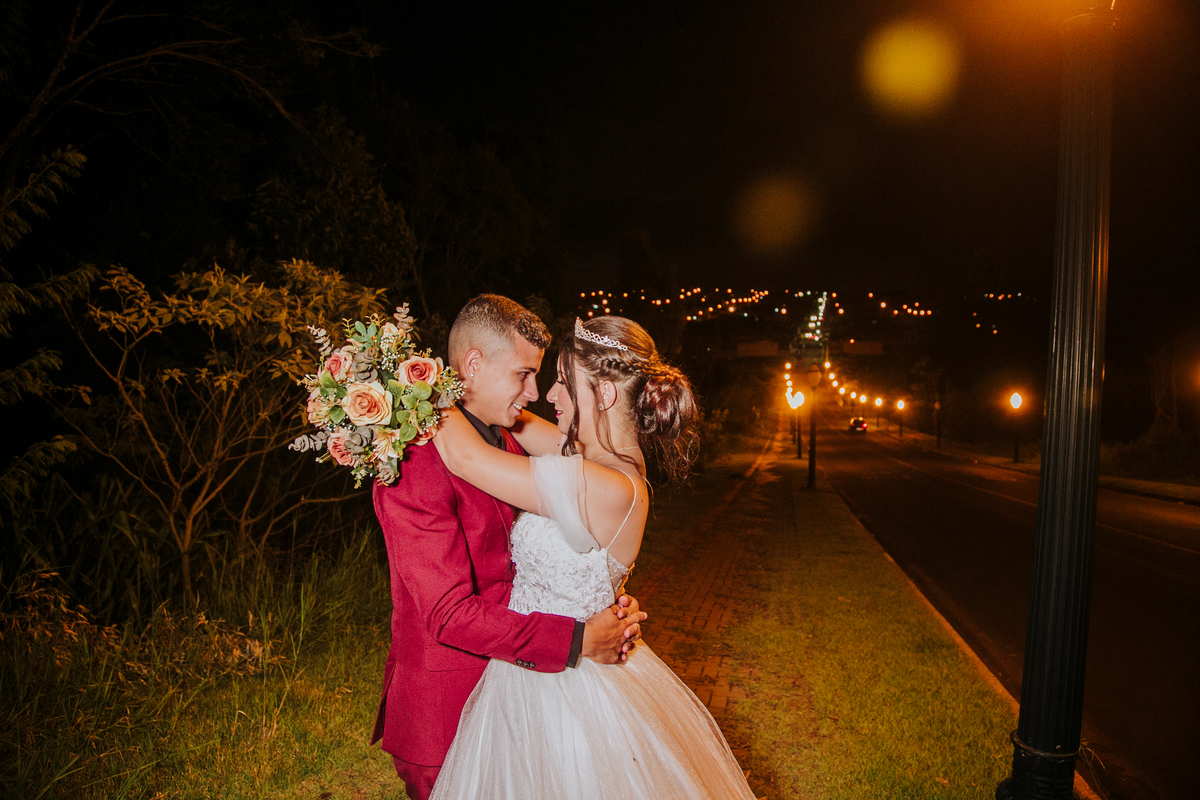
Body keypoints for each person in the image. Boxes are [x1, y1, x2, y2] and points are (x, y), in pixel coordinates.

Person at [427, 316, 758, 800]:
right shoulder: (593, 461)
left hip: (564, 688)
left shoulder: (605, 486)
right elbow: (517, 421)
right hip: (532, 667)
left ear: (604, 394)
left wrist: (410, 384)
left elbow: (466, 458)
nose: (549, 395)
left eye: (564, 382)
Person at [371, 296, 646, 800]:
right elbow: (448, 613)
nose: (537, 393)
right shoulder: (415, 460)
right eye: (524, 374)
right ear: (474, 364)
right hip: (449, 708)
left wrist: (598, 595)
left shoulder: (514, 444)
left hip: (527, 698)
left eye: (544, 376)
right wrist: (577, 636)